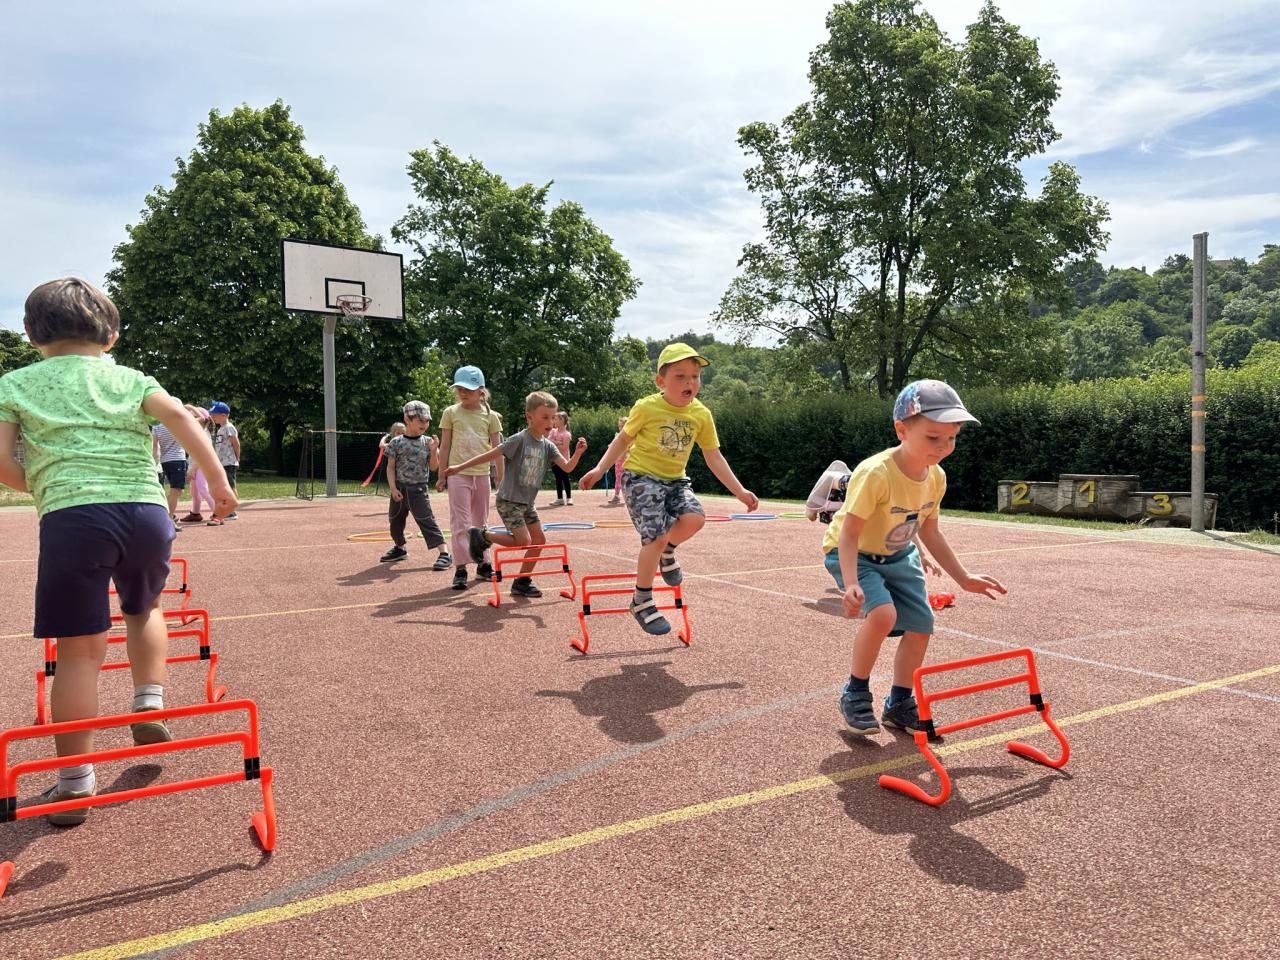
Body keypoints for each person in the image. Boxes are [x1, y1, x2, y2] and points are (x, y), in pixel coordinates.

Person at [0, 278, 235, 826]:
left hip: (74, 517)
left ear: (31, 333)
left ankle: (74, 782)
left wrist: (45, 485)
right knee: (146, 607)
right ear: (111, 335)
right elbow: (181, 418)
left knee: (79, 651)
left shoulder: (14, 383)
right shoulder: (132, 378)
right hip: (145, 511)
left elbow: (1, 461)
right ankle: (149, 698)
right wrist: (220, 481)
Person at [826, 380, 1006, 736]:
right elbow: (848, 532)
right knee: (883, 615)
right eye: (933, 437)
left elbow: (930, 531)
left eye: (951, 438)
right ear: (902, 430)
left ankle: (899, 703)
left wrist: (963, 577)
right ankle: (855, 692)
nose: (943, 447)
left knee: (922, 625)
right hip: (854, 553)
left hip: (898, 555)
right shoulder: (876, 473)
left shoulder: (936, 477)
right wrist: (850, 583)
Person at [580, 342, 757, 635]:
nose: (690, 382)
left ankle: (668, 552)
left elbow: (714, 456)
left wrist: (740, 491)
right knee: (656, 536)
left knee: (695, 518)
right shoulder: (646, 407)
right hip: (641, 478)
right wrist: (600, 469)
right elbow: (622, 440)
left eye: (695, 377)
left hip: (675, 480)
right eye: (680, 376)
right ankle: (641, 600)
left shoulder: (701, 414)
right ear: (661, 381)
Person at [446, 391, 588, 598]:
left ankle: (522, 581)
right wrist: (459, 467)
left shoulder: (548, 446)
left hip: (527, 503)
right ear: (529, 416)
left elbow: (567, 467)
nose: (551, 423)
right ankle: (483, 535)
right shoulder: (520, 439)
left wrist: (577, 453)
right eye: (545, 417)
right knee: (523, 541)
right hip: (509, 500)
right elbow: (491, 454)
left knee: (539, 540)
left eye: (553, 417)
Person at [807, 459, 941, 575]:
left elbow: (907, 529)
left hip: (854, 508)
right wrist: (811, 506)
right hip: (839, 495)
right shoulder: (871, 483)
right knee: (836, 524)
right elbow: (829, 478)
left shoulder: (905, 502)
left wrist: (922, 555)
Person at [435, 366, 503, 591]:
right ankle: (461, 568)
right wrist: (441, 475)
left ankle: (483, 564)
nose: (463, 393)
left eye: (468, 389)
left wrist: (500, 477)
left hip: (482, 475)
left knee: (481, 522)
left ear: (481, 391)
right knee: (461, 522)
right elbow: (445, 446)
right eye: (460, 389)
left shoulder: (490, 416)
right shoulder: (451, 412)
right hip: (457, 475)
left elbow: (498, 450)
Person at [381, 400, 451, 570]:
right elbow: (390, 468)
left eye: (427, 421)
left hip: (418, 490)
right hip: (399, 489)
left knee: (426, 520)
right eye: (420, 420)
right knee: (395, 520)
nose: (424, 424)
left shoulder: (428, 442)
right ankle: (400, 548)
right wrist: (393, 488)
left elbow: (433, 467)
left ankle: (445, 554)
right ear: (407, 419)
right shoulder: (396, 442)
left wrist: (434, 451)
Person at [151, 417, 188, 530]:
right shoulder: (176, 421)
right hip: (177, 458)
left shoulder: (156, 426)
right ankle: (168, 518)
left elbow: (154, 446)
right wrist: (191, 409)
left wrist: (155, 462)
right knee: (176, 490)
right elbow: (201, 419)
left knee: (176, 491)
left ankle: (165, 516)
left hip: (165, 461)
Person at [179, 406, 214, 523]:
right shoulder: (196, 432)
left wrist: (193, 469)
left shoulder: (203, 433)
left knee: (203, 489)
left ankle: (218, 513)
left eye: (193, 417)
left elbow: (204, 454)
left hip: (201, 465)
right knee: (194, 492)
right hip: (195, 465)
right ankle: (195, 513)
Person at [207, 401, 239, 524]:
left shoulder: (229, 427)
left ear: (224, 415)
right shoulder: (221, 429)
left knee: (230, 486)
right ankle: (226, 510)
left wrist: (237, 458)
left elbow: (236, 444)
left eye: (215, 414)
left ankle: (231, 511)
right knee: (224, 486)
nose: (213, 417)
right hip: (222, 463)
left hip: (229, 462)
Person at [549, 411, 574, 506]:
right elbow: (548, 441)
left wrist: (554, 443)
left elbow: (564, 447)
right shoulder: (553, 431)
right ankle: (559, 499)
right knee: (558, 479)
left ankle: (569, 498)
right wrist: (558, 442)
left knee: (565, 478)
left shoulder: (567, 434)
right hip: (555, 460)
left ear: (562, 421)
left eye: (556, 419)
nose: (554, 421)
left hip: (564, 461)